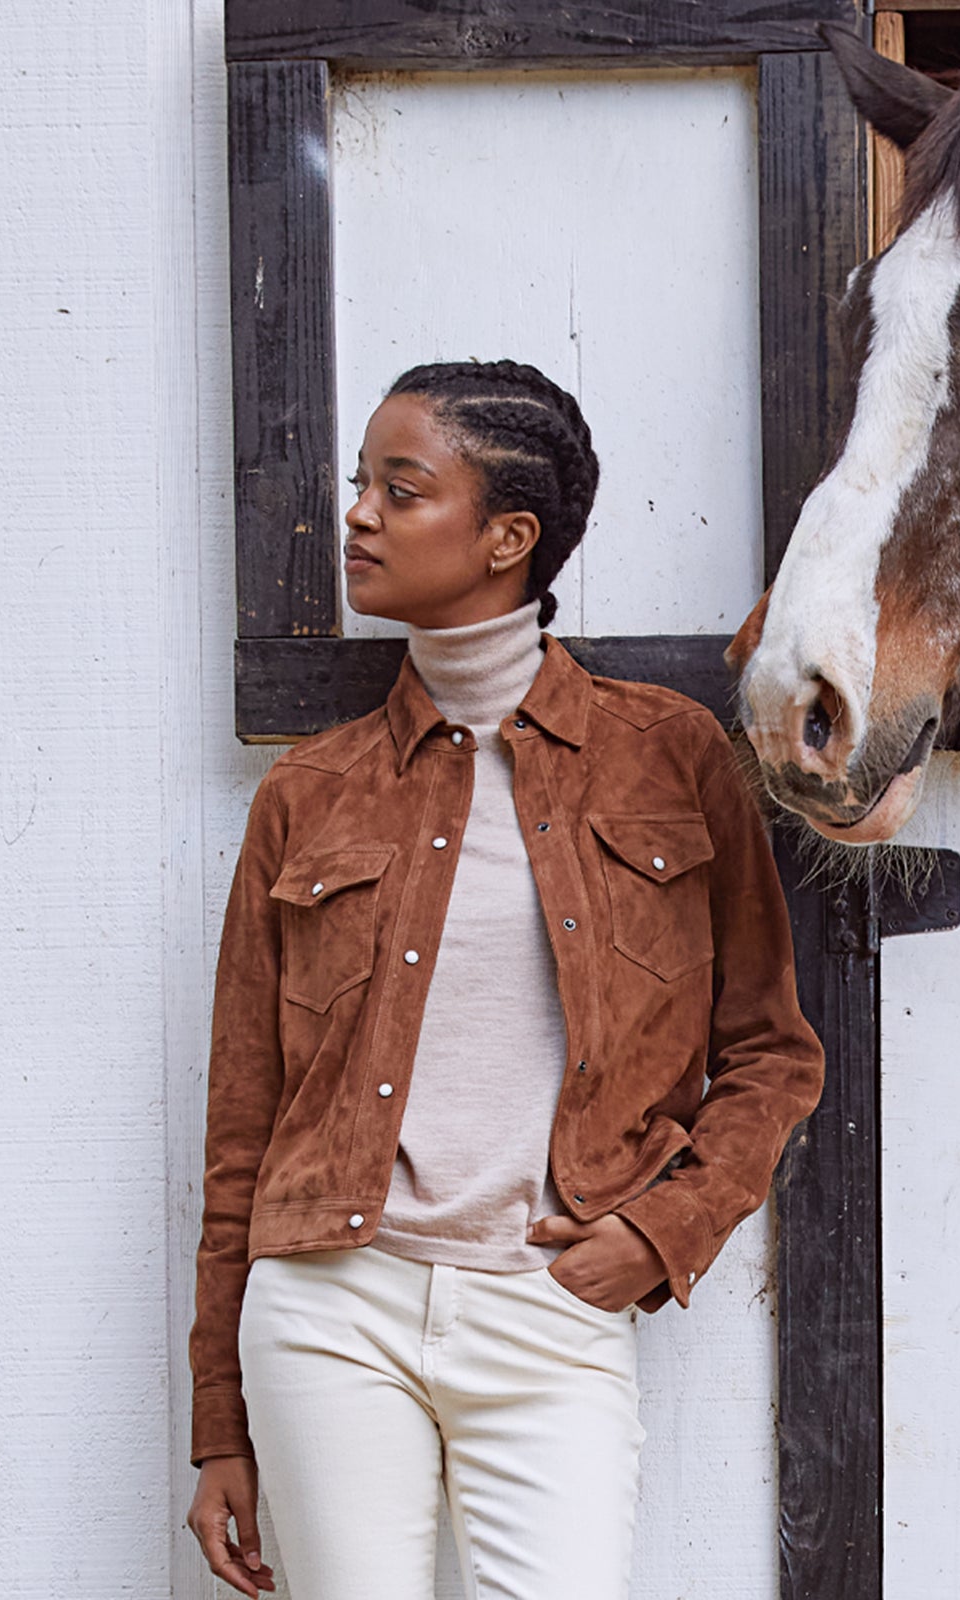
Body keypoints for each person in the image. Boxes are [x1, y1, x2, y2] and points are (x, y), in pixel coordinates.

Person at [186, 359, 824, 1600]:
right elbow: (240, 1134)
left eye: (400, 487)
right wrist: (220, 1423)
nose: (358, 513)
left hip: (548, 1310)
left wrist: (659, 1231)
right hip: (330, 1306)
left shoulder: (669, 756)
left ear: (506, 537)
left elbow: (770, 1054)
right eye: (359, 482)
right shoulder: (305, 795)